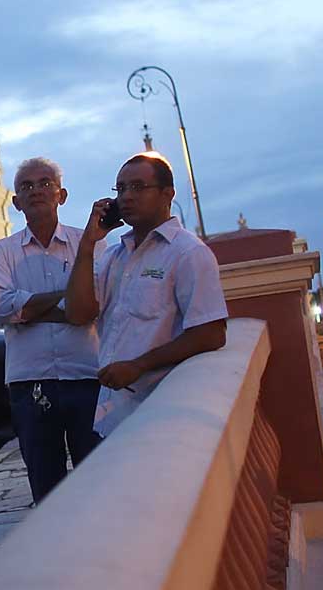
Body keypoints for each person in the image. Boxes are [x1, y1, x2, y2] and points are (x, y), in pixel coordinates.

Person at [66, 152, 228, 437]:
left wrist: (139, 366)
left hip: (163, 413)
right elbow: (78, 313)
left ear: (168, 194)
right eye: (121, 189)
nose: (126, 197)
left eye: (138, 187)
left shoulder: (188, 253)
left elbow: (211, 333)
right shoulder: (115, 257)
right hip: (112, 416)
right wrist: (88, 244)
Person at [0, 157, 101, 502]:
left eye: (45, 183)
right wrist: (70, 299)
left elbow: (95, 304)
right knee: (45, 485)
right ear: (16, 202)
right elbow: (2, 308)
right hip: (29, 382)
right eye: (26, 186)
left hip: (87, 377)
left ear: (61, 195)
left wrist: (30, 309)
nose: (36, 190)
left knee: (97, 479)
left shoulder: (90, 244)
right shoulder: (1, 252)